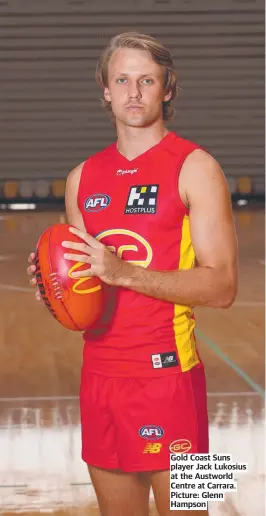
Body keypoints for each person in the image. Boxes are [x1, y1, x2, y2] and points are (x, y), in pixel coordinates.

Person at [27, 33, 238, 516]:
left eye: (147, 80)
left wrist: (122, 273)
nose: (134, 92)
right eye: (122, 80)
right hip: (100, 379)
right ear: (105, 89)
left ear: (167, 89)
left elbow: (223, 287)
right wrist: (55, 285)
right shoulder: (82, 177)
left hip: (174, 380)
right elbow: (84, 291)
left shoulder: (197, 167)